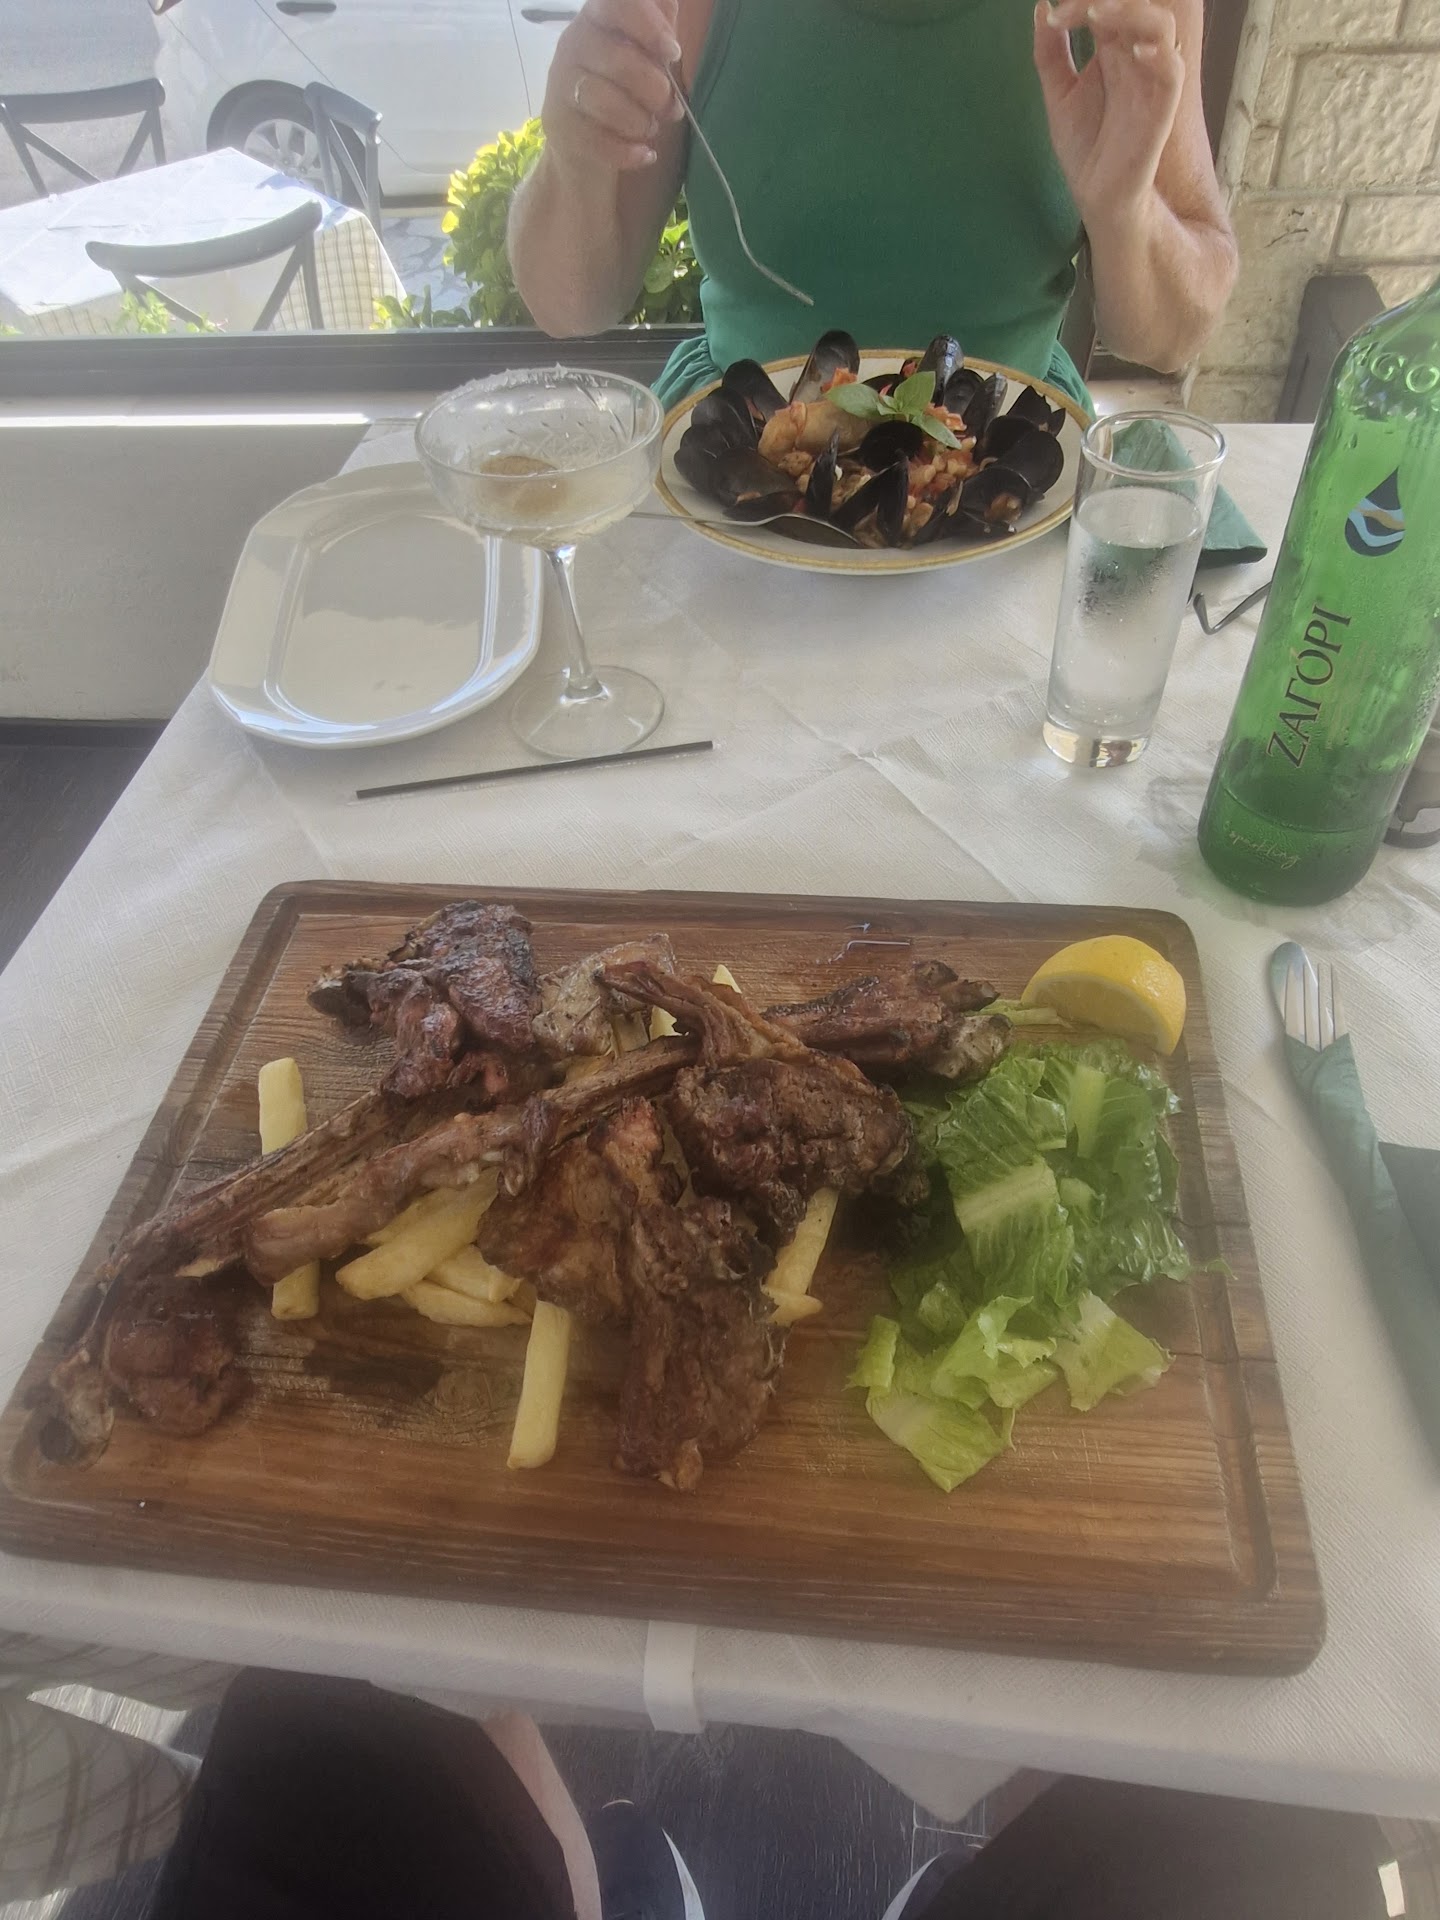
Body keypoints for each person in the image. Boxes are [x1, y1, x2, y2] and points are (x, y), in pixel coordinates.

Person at [508, 0, 1239, 410]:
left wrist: (1125, 212)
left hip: (1013, 478)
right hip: (732, 465)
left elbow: (1173, 337)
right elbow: (571, 303)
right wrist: (574, 153)